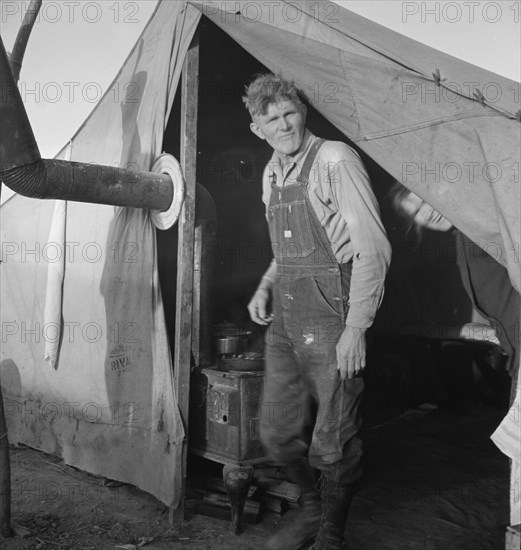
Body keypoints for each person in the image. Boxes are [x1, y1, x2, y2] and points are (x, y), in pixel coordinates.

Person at [243, 74, 391, 550]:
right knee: (277, 431)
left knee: (334, 437)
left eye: (290, 113)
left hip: (333, 313)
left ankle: (331, 535)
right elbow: (283, 247)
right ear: (257, 128)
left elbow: (373, 248)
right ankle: (311, 508)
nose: (284, 125)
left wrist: (356, 327)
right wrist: (267, 285)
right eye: (272, 119)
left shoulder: (334, 160)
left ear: (302, 111)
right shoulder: (271, 172)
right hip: (287, 317)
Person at [390, 182, 520, 383]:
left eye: (424, 201)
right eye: (416, 213)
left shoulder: (485, 225)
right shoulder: (461, 241)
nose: (427, 214)